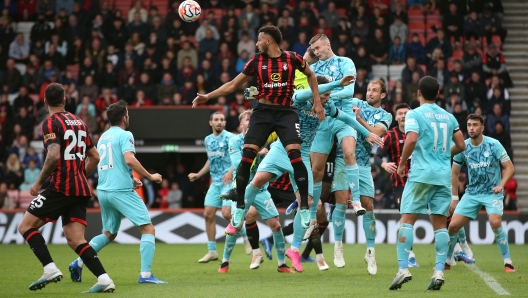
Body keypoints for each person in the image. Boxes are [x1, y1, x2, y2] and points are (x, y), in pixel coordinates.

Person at [193, 25, 325, 231]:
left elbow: (311, 75)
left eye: (259, 39)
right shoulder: (256, 61)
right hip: (262, 113)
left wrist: (317, 102)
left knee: (296, 156)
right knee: (247, 157)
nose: (256, 43)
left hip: (286, 112)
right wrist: (208, 96)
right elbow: (234, 84)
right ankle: (239, 207)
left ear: (269, 41)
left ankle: (305, 208)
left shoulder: (292, 58)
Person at [17, 83, 115, 293]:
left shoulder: (50, 123)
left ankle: (50, 268)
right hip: (81, 189)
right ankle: (104, 279)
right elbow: (95, 156)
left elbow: (52, 156)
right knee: (76, 240)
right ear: (65, 100)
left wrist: (37, 183)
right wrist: (80, 175)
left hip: (61, 187)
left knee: (25, 227)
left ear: (44, 102)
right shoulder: (80, 122)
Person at [68, 100, 166, 284]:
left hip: (104, 190)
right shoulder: (125, 134)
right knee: (148, 229)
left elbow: (110, 164)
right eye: (127, 113)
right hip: (120, 192)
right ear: (124, 117)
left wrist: (130, 179)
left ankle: (78, 262)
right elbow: (129, 159)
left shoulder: (104, 136)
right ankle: (145, 275)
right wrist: (150, 176)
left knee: (109, 233)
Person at [389, 76, 466, 291]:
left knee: (406, 220)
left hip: (421, 175)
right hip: (442, 176)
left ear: (418, 93)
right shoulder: (449, 116)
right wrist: (442, 154)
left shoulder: (414, 114)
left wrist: (403, 162)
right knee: (440, 225)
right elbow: (460, 144)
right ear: (438, 93)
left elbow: (412, 139)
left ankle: (403, 269)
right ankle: (439, 271)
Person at [219, 110, 293, 273]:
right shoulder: (235, 141)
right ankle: (224, 262)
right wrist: (258, 152)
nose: (251, 121)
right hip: (242, 189)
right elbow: (239, 164)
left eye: (254, 119)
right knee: (236, 226)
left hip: (261, 189)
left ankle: (282, 264)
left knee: (276, 226)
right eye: (247, 119)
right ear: (241, 124)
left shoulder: (266, 139)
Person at [333, 79, 392, 273]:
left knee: (368, 206)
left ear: (383, 95)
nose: (370, 93)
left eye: (375, 90)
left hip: (363, 163)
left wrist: (358, 119)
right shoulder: (356, 103)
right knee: (341, 201)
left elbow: (376, 133)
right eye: (368, 89)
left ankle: (370, 252)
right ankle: (338, 246)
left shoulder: (385, 115)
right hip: (342, 158)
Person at [448, 114, 515, 272]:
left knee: (495, 222)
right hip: (472, 193)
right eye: (469, 125)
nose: (471, 128)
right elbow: (454, 174)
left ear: (482, 127)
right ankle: (446, 260)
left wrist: (501, 185)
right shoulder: (462, 147)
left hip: (492, 192)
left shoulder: (494, 144)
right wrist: (455, 198)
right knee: (452, 226)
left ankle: (508, 262)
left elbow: (510, 168)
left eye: (475, 125)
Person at [188, 112, 251, 263]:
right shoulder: (208, 140)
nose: (219, 122)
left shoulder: (231, 137)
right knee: (208, 215)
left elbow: (240, 156)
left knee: (226, 213)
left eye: (222, 120)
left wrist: (230, 171)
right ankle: (212, 251)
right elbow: (210, 161)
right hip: (215, 183)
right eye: (216, 120)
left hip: (229, 181)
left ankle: (245, 237)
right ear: (210, 123)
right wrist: (198, 174)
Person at [374, 103, 419, 268]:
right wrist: (385, 165)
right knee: (406, 217)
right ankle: (410, 254)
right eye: (400, 113)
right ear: (396, 116)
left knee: (440, 212)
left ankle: (456, 248)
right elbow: (378, 157)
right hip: (401, 184)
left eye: (406, 113)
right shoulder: (390, 135)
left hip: (422, 181)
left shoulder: (418, 132)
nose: (404, 116)